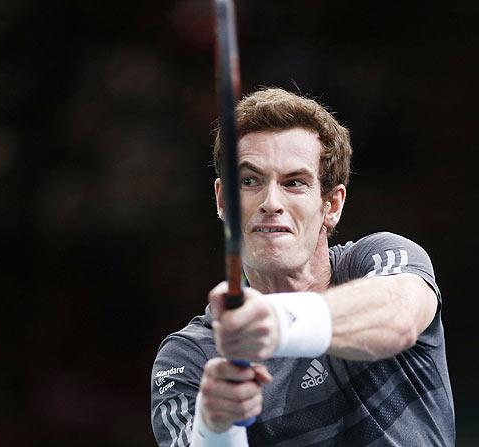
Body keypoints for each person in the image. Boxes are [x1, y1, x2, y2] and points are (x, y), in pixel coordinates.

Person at [150, 88, 454, 446]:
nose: (270, 202)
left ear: (332, 205)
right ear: (222, 200)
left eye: (294, 183)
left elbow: (400, 316)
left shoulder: (379, 258)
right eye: (250, 181)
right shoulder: (192, 355)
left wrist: (275, 323)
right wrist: (216, 426)